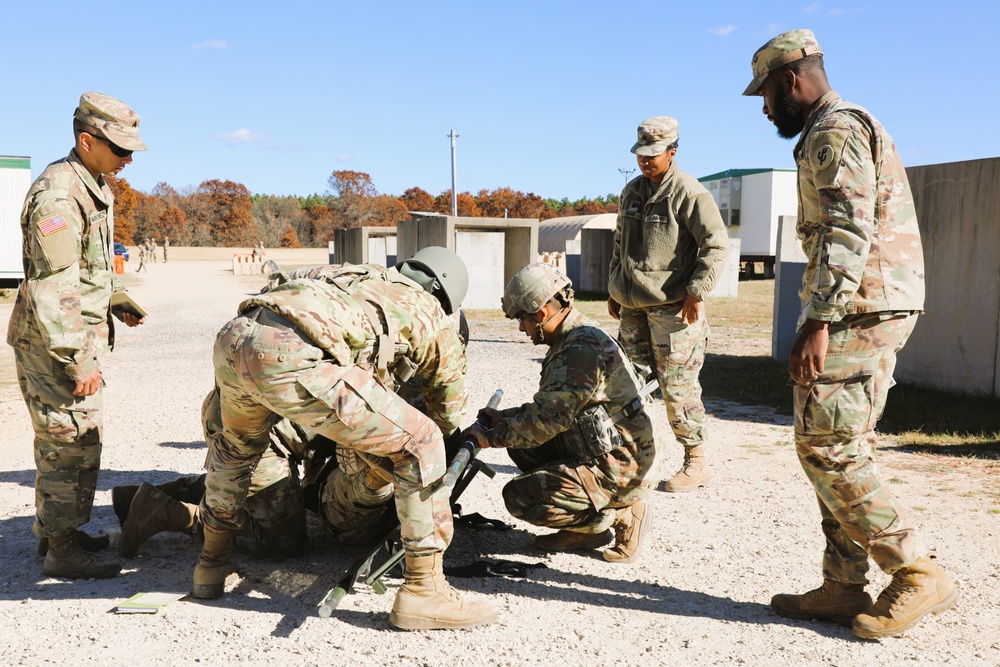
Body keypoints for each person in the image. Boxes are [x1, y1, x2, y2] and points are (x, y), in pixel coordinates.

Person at [743, 29, 959, 639]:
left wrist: (817, 319)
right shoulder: (832, 127)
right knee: (835, 443)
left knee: (828, 446)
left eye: (765, 93)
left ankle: (916, 571)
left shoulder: (835, 130)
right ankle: (843, 585)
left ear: (791, 80)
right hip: (866, 305)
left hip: (859, 308)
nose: (764, 108)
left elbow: (845, 230)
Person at [191, 247, 496, 630]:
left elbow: (281, 283)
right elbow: (447, 414)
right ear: (442, 292)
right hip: (290, 355)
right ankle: (424, 591)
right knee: (423, 441)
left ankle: (211, 566)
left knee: (237, 450)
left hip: (237, 335)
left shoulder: (357, 273)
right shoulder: (432, 313)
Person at [6, 91, 147, 579]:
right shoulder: (60, 196)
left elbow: (85, 268)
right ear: (87, 141)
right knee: (71, 440)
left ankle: (55, 532)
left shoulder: (91, 183)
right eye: (120, 149)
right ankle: (61, 551)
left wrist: (114, 297)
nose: (128, 159)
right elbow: (53, 286)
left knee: (64, 439)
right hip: (54, 342)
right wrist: (77, 358)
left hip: (63, 334)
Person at [463, 263, 659, 563]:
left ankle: (620, 515)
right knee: (522, 448)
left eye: (522, 320)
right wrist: (505, 419)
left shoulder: (577, 349)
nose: (521, 329)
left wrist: (488, 438)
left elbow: (546, 422)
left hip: (621, 466)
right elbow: (555, 408)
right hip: (606, 447)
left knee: (519, 497)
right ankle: (588, 527)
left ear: (541, 314)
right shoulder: (575, 334)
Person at [607, 116, 730, 493]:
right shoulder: (631, 192)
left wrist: (697, 291)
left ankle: (696, 462)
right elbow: (619, 244)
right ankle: (630, 458)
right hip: (633, 306)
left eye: (653, 155)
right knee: (626, 384)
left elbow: (716, 244)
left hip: (675, 308)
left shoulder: (690, 193)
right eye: (641, 154)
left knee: (678, 388)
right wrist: (616, 289)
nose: (645, 161)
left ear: (672, 152)